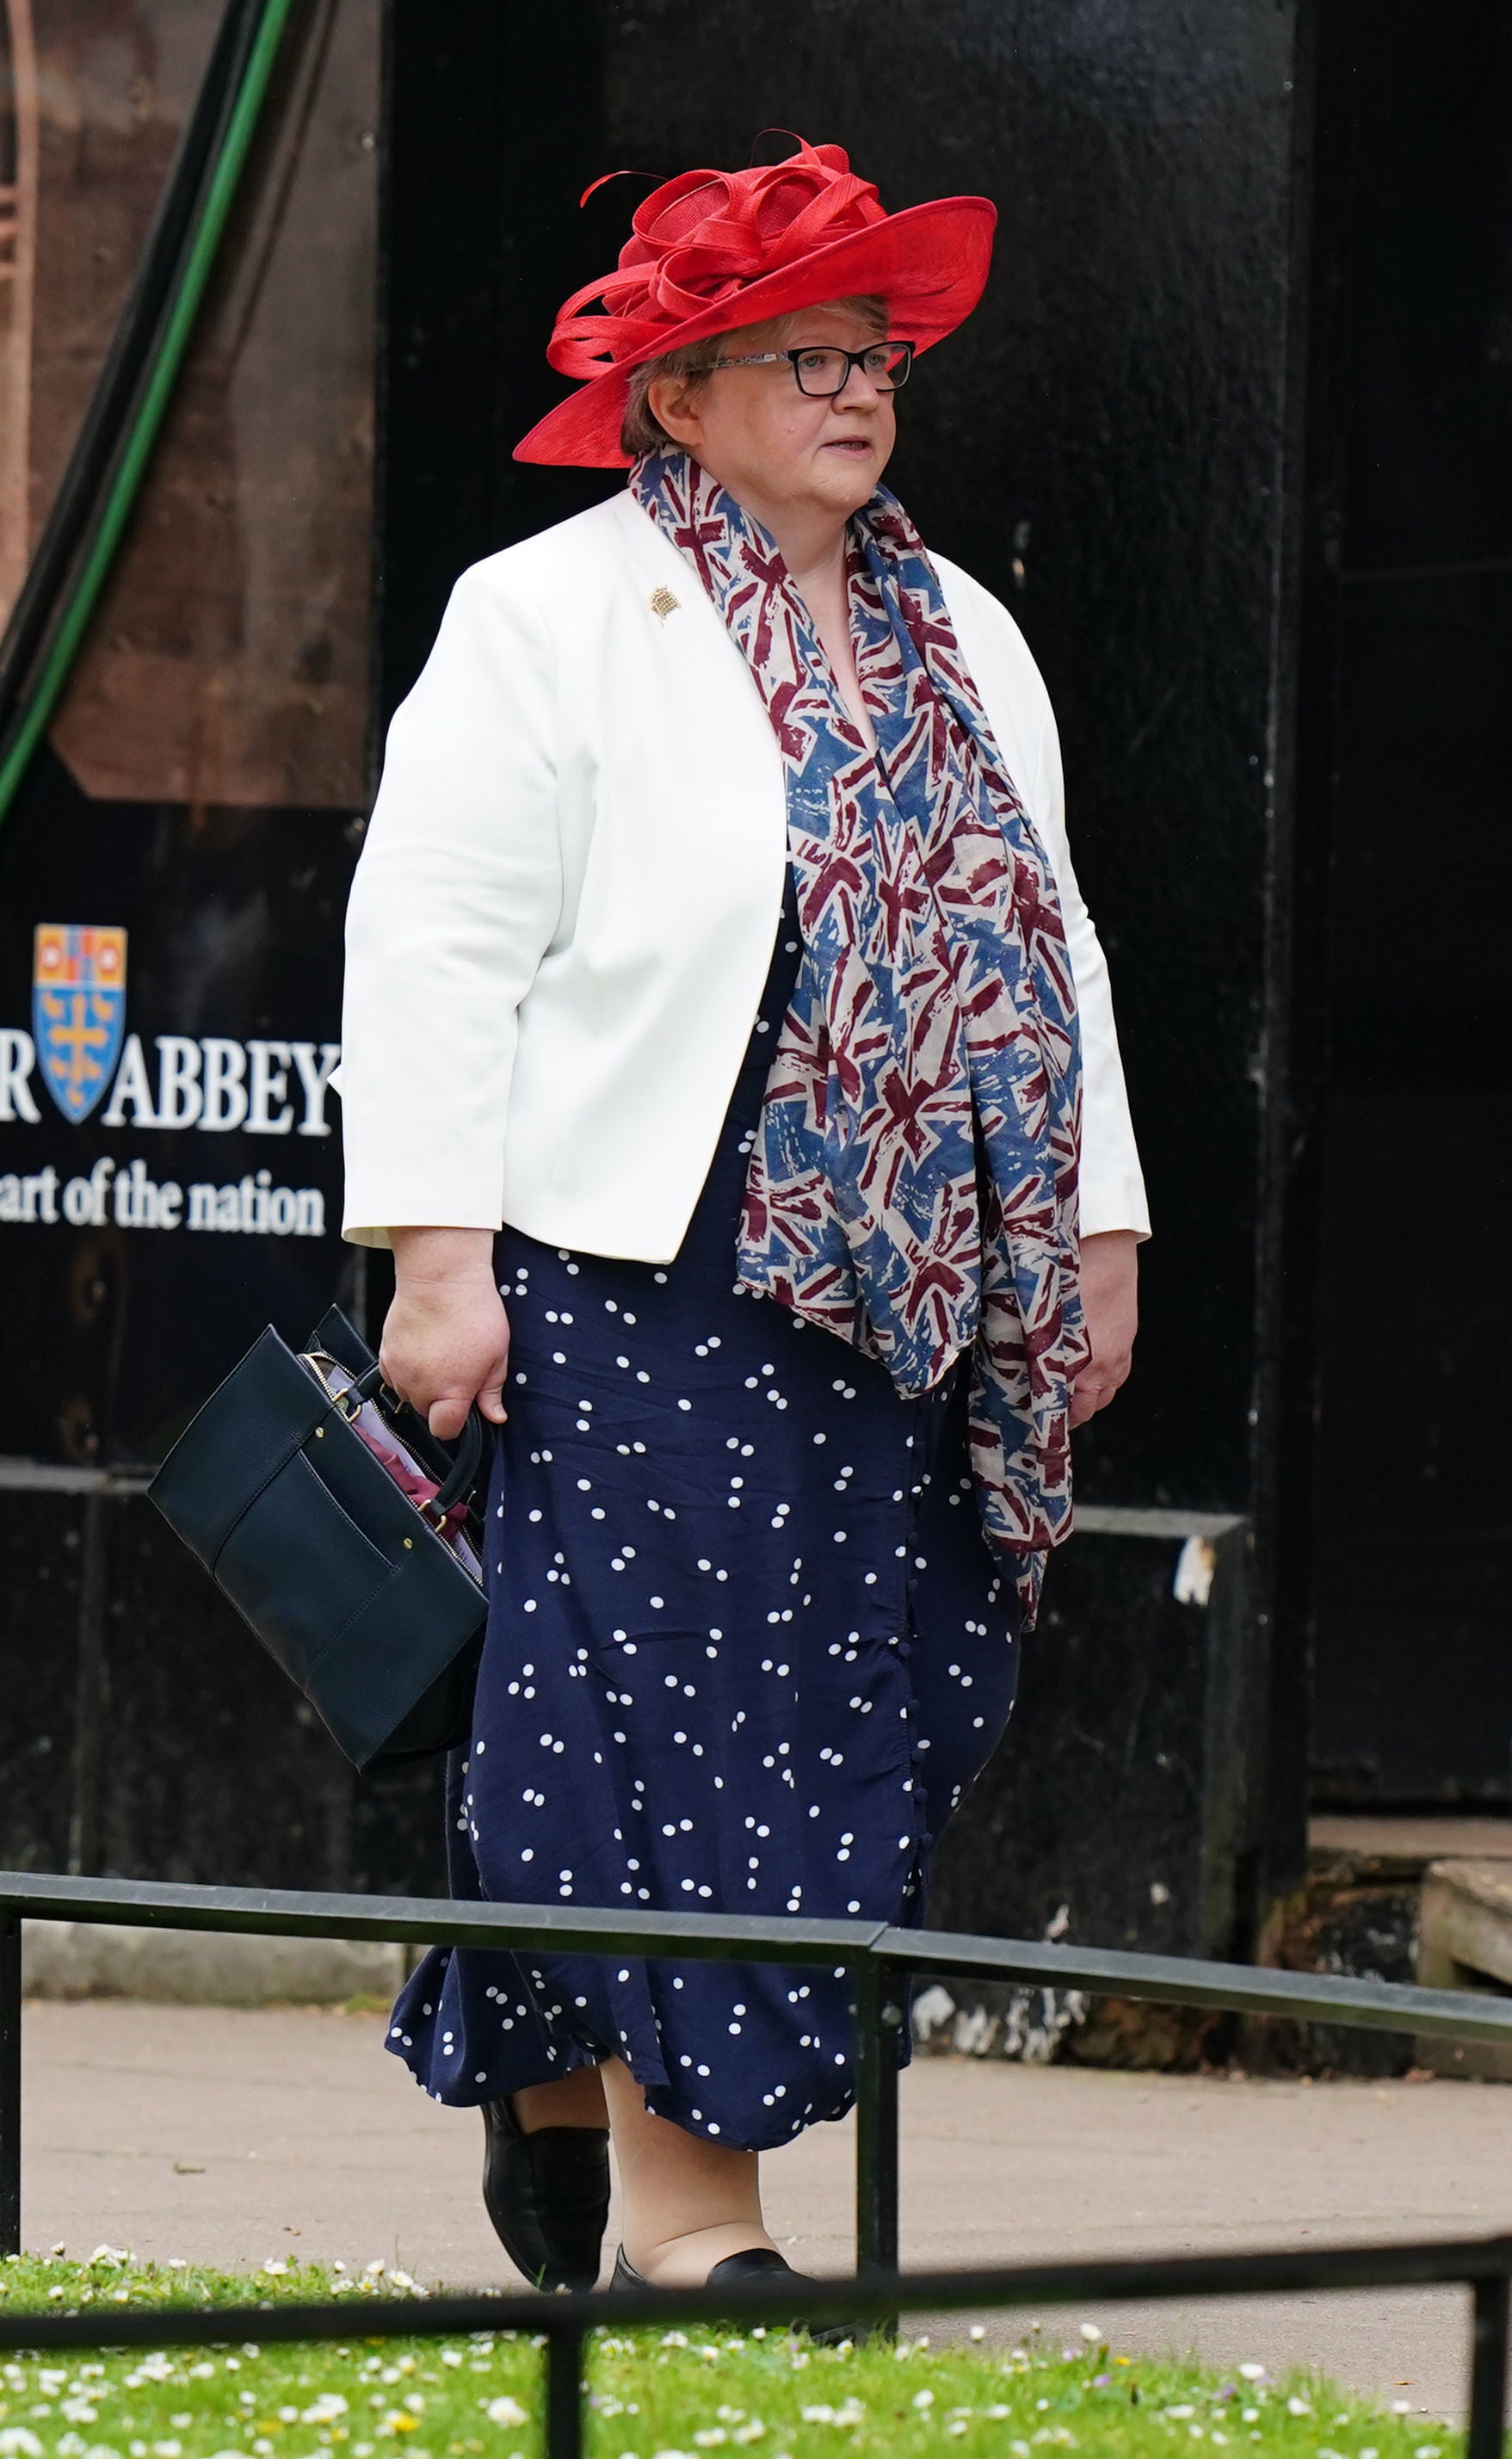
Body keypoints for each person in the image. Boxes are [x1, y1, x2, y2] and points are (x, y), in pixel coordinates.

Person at [337, 137, 1149, 2302]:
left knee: (879, 1704)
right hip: (639, 1264)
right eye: (800, 356)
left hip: (923, 1285)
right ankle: (707, 2225)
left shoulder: (964, 624)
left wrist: (1096, 1241)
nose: (857, 389)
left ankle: (534, 2049)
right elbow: (429, 942)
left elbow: (1052, 950)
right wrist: (435, 1260)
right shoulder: (548, 610)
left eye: (872, 355)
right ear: (672, 396)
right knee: (701, 1720)